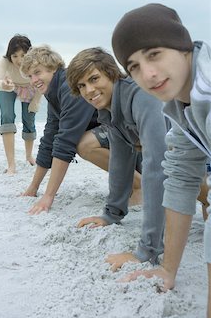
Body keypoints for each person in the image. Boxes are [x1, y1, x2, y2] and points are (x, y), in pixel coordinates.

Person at [111, 3, 210, 318]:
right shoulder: (183, 103)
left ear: (182, 46)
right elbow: (180, 178)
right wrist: (168, 268)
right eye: (134, 66)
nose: (147, 74)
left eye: (154, 54)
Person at [66, 47, 168, 269]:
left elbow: (157, 168)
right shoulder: (112, 110)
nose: (89, 90)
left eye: (94, 79)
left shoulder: (141, 96)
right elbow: (120, 163)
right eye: (82, 85)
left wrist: (146, 251)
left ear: (111, 72)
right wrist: (111, 215)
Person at [20, 45, 142, 215]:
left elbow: (65, 142)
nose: (33, 80)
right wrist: (33, 188)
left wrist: (48, 197)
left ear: (53, 68)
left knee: (85, 144)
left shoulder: (70, 89)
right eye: (30, 76)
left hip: (139, 139)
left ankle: (139, 185)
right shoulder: (54, 92)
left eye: (38, 72)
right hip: (123, 142)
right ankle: (136, 183)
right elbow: (50, 138)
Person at [0, 34, 42, 175]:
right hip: (9, 85)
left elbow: (41, 83)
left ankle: (29, 156)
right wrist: (3, 84)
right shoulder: (5, 61)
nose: (19, 60)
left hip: (30, 88)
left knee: (29, 119)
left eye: (23, 55)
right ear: (9, 55)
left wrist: (35, 103)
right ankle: (11, 165)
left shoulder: (36, 62)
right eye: (15, 56)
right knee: (7, 116)